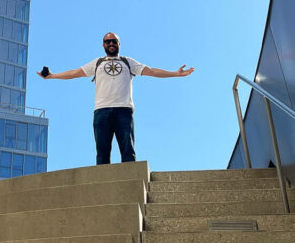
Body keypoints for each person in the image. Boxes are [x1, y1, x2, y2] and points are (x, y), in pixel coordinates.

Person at [38, 31, 194, 165]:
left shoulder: (128, 62)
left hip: (124, 110)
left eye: (114, 41)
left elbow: (152, 71)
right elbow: (73, 73)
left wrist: (175, 73)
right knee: (102, 153)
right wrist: (51, 76)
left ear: (119, 44)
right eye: (108, 41)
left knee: (128, 151)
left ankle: (131, 186)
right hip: (101, 111)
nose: (111, 43)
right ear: (103, 45)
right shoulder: (97, 63)